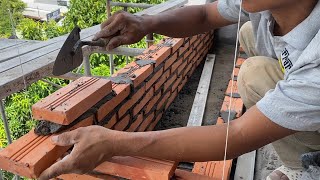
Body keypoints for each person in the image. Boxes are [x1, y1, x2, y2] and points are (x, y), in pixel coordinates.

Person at [39, 0, 320, 179]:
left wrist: (115, 142)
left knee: (252, 72)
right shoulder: (266, 3)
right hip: (301, 76)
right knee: (248, 31)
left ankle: (300, 167)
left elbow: (236, 136)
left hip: (312, 95)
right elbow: (204, 14)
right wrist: (146, 22)